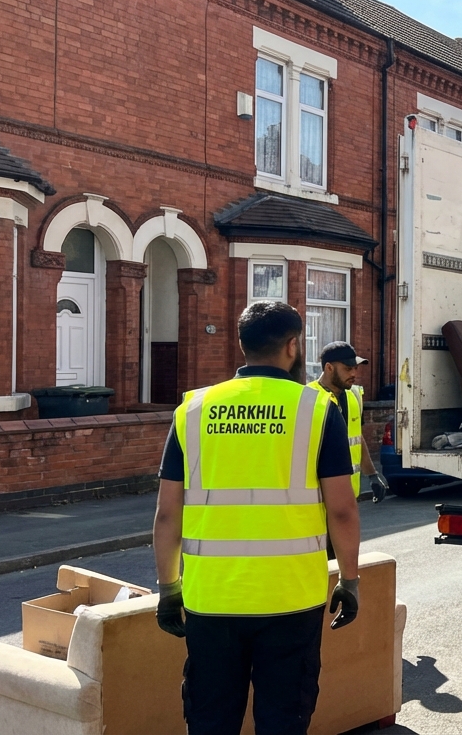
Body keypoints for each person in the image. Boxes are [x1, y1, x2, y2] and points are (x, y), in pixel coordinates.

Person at [153, 301, 362, 735]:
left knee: (211, 720)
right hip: (290, 598)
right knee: (283, 719)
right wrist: (349, 579)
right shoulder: (316, 409)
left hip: (212, 599)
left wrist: (169, 588)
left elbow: (167, 513)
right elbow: (342, 509)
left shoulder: (192, 409)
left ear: (242, 345)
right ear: (292, 346)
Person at [308, 341, 387, 503]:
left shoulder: (354, 397)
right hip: (317, 497)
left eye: (355, 368)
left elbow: (357, 438)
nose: (354, 374)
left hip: (349, 495)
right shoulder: (308, 398)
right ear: (329, 368)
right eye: (347, 368)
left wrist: (372, 474)